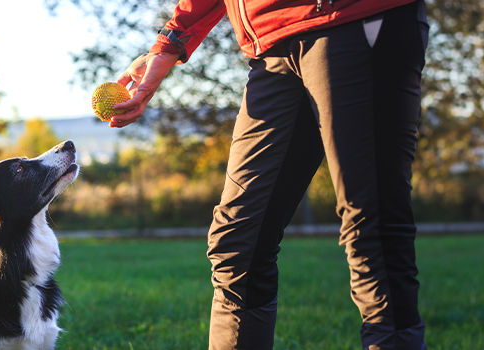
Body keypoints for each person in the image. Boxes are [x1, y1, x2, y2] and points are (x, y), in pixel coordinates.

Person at [110, 0, 430, 349]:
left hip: (354, 18)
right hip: (272, 45)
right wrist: (168, 45)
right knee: (238, 243)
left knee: (374, 226)